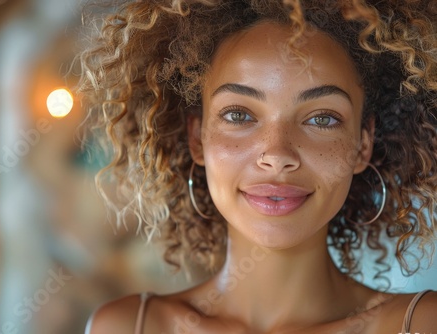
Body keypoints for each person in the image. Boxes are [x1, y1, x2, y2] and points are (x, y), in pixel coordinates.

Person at [79, 0, 437, 332]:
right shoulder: (127, 326)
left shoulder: (422, 322)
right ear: (197, 137)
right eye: (239, 114)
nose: (277, 154)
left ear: (362, 144)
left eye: (322, 119)